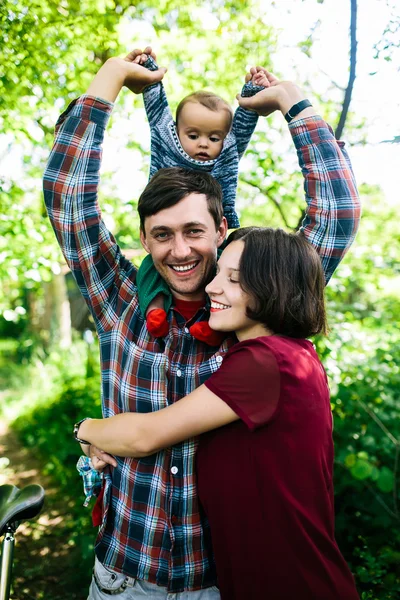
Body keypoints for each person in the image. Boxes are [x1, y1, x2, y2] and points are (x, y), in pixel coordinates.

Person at [43, 46, 360, 599]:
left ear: (220, 230)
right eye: (161, 235)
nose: (180, 249)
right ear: (143, 240)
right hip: (124, 577)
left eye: (194, 231)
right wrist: (114, 76)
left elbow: (336, 214)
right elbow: (68, 198)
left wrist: (289, 100)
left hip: (221, 583)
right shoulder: (120, 300)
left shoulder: (258, 307)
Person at [77, 225, 360, 600]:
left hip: (293, 584)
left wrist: (85, 429)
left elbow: (144, 436)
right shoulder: (288, 354)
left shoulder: (265, 363)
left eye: (234, 279)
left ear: (273, 287)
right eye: (218, 273)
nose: (211, 287)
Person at [134, 51, 265, 343]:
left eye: (214, 137)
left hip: (217, 236)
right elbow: (156, 111)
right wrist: (149, 73)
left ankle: (210, 323)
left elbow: (242, 127)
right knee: (149, 267)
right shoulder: (166, 142)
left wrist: (252, 92)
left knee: (223, 273)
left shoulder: (227, 153)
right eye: (193, 136)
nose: (204, 144)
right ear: (178, 131)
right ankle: (155, 309)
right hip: (160, 204)